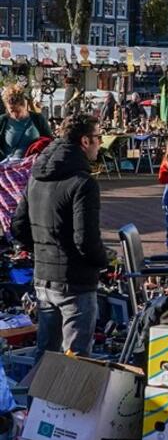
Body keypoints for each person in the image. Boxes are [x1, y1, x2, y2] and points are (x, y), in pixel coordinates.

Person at [11, 114, 108, 359]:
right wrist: (103, 260)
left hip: (43, 278)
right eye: (98, 137)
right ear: (85, 141)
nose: (101, 143)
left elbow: (19, 226)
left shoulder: (37, 175)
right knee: (75, 361)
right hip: (75, 282)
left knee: (45, 356)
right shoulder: (83, 183)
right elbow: (85, 241)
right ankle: (66, 399)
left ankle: (38, 399)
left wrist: (42, 250)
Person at [0, 86, 52, 159]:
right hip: (8, 166)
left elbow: (50, 141)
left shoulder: (38, 119)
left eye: (18, 111)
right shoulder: (3, 121)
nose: (14, 114)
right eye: (11, 111)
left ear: (24, 105)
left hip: (33, 164)